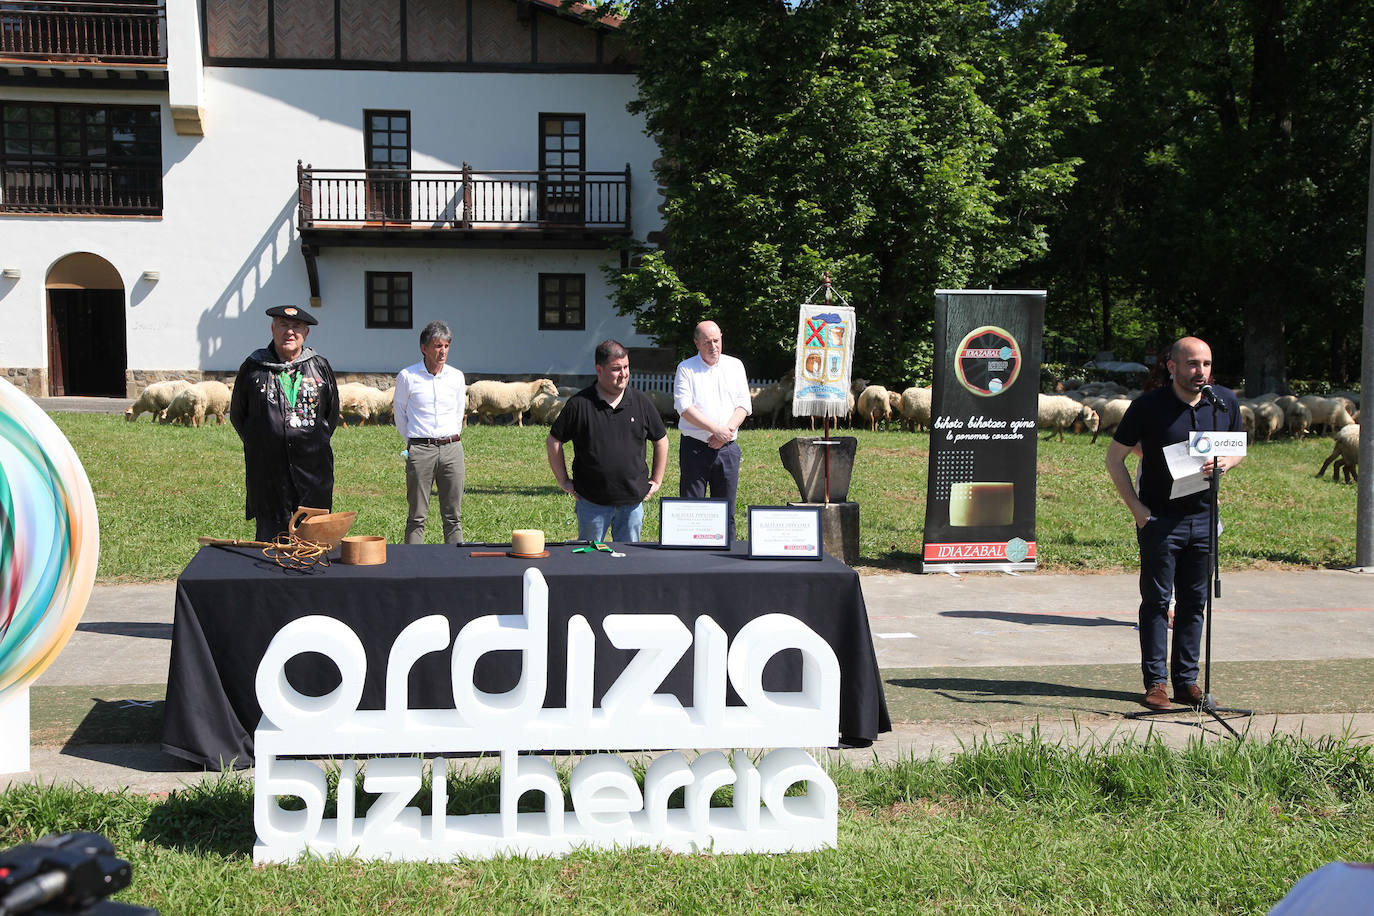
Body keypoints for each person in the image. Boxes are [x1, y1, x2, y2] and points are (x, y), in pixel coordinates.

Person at [1106, 336, 1243, 710]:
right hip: (1160, 520)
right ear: (1172, 366)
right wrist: (1137, 510)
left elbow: (1237, 449)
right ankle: (1156, 684)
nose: (1201, 372)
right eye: (1192, 364)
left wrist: (1225, 464)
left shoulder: (1224, 402)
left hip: (1204, 517)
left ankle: (1186, 681)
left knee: (1195, 602)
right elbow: (1114, 458)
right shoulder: (1148, 406)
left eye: (1207, 364)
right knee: (1156, 602)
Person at [230, 305, 340, 541]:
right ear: (273, 329)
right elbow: (239, 416)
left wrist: (305, 442)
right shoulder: (253, 368)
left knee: (312, 543)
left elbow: (330, 416)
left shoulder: (319, 366)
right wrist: (267, 441)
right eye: (283, 325)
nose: (290, 332)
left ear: (306, 333)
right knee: (271, 546)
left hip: (312, 472)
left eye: (296, 327)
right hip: (268, 474)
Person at [547, 339, 667, 543]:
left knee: (628, 564)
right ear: (599, 369)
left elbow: (661, 440)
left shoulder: (640, 402)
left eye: (626, 367)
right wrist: (564, 481)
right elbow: (553, 442)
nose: (624, 373)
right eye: (616, 369)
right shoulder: (580, 404)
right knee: (589, 563)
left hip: (632, 502)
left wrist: (657, 479)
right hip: (592, 503)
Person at [673, 320, 752, 540]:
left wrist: (725, 431)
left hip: (727, 449)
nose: (713, 346)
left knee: (727, 512)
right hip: (695, 449)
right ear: (696, 343)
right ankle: (692, 563)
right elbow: (684, 407)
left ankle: (726, 566)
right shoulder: (686, 368)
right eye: (707, 342)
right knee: (692, 511)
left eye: (716, 340)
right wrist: (715, 429)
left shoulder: (735, 366)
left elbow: (744, 404)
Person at [393, 320, 466, 545]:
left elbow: (458, 412)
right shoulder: (408, 376)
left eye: (446, 346)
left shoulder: (456, 377)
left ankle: (456, 567)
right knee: (417, 516)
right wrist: (415, 443)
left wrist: (449, 437)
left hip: (452, 448)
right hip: (420, 449)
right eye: (437, 346)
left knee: (453, 516)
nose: (442, 351)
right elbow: (400, 414)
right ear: (424, 348)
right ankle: (412, 569)